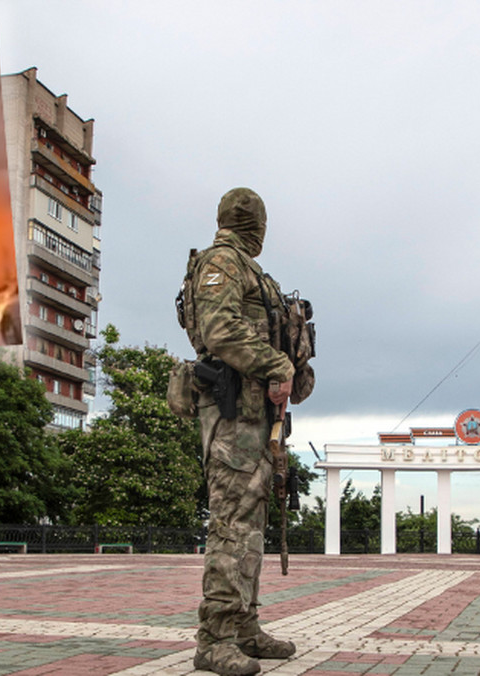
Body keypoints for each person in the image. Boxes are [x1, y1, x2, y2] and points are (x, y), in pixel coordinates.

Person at [180, 187, 312, 676]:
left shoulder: (251, 270)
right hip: (233, 415)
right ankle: (213, 639)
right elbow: (218, 330)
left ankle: (243, 627)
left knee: (249, 529)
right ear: (256, 224)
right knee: (231, 526)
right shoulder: (223, 262)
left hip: (257, 419)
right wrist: (277, 362)